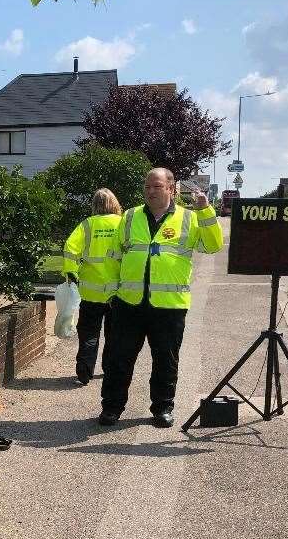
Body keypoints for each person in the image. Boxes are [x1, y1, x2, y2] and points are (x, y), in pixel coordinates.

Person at [99, 167, 224, 428]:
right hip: (129, 303)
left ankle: (163, 408)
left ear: (171, 188)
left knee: (165, 361)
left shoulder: (190, 218)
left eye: (156, 186)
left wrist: (206, 211)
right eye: (147, 186)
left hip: (169, 306)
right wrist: (112, 293)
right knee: (118, 359)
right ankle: (111, 408)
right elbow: (114, 256)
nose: (151, 191)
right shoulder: (131, 216)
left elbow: (213, 246)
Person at [62, 188, 124, 385]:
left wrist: (71, 272)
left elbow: (70, 248)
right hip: (118, 292)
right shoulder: (124, 224)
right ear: (115, 203)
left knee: (89, 333)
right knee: (114, 336)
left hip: (91, 291)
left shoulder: (87, 225)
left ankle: (84, 370)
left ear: (95, 205)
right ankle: (111, 370)